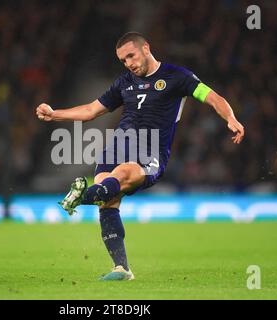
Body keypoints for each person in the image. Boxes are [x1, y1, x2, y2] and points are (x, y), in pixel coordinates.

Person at [36, 32, 245, 281]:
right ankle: (121, 269)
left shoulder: (177, 76)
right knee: (108, 201)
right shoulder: (124, 83)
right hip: (117, 147)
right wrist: (54, 114)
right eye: (123, 60)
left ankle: (79, 198)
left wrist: (230, 117)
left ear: (146, 48)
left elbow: (212, 97)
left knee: (120, 177)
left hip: (150, 150)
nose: (129, 64)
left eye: (131, 56)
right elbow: (91, 111)